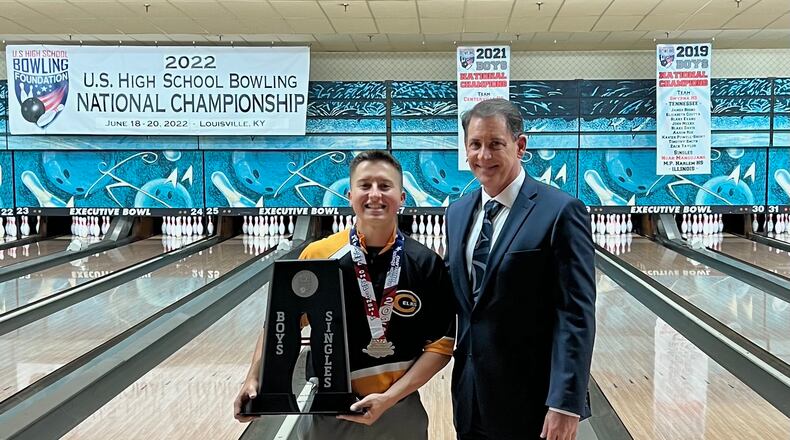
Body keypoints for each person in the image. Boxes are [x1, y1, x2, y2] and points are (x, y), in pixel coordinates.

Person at [234, 150, 455, 439]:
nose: (375, 194)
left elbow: (440, 346)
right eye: (365, 186)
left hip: (399, 409)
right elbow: (281, 325)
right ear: (350, 195)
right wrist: (254, 377)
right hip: (329, 413)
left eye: (385, 186)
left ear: (402, 198)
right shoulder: (319, 256)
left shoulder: (426, 263)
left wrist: (388, 398)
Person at [445, 99, 596, 440]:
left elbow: (576, 314)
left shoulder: (561, 211)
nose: (484, 156)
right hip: (470, 397)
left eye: (496, 144)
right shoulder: (456, 213)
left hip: (534, 403)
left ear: (520, 145)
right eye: (475, 145)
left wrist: (565, 403)